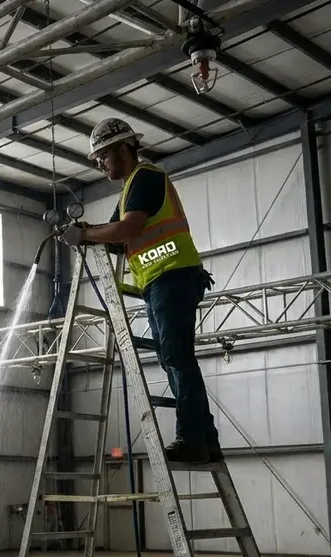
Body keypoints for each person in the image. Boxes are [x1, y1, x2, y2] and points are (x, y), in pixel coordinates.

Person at [61, 117, 222, 464]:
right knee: (173, 358)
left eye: (103, 155)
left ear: (124, 149)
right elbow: (117, 237)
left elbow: (127, 229)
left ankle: (193, 438)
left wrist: (85, 234)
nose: (100, 163)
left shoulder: (146, 177)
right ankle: (205, 438)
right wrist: (87, 231)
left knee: (177, 358)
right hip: (161, 280)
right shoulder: (130, 190)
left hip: (171, 275)